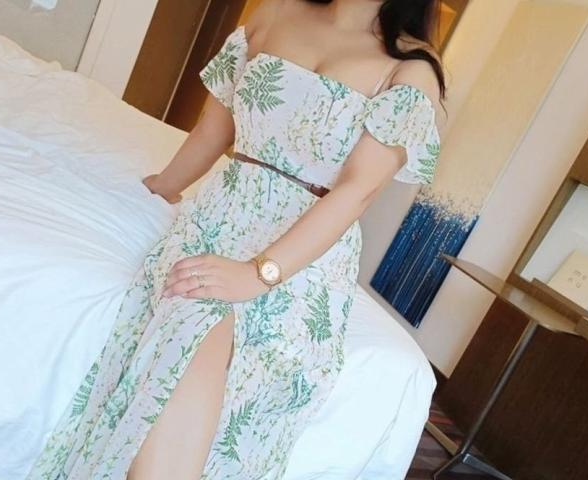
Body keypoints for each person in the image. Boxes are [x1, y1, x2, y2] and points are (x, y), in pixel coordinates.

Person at [27, 0, 446, 478]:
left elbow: (357, 191)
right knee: (195, 312)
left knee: (221, 332)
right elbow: (214, 129)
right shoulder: (275, 12)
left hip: (307, 251)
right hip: (224, 213)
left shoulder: (410, 70)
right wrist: (162, 186)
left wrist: (259, 273)